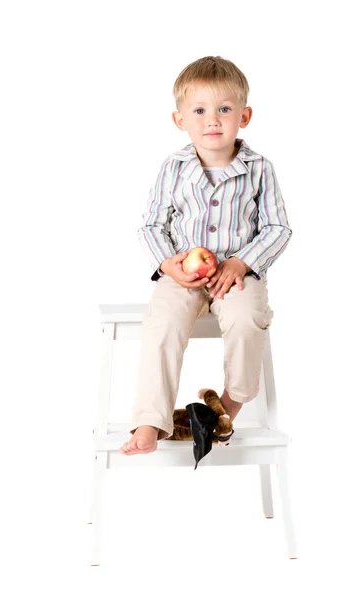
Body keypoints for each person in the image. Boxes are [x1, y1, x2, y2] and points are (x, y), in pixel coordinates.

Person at [120, 55, 292, 455]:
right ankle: (149, 421)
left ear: (244, 116)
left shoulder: (259, 169)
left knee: (248, 319)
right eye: (199, 110)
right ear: (180, 119)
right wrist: (168, 264)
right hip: (184, 275)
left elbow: (277, 228)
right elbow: (151, 226)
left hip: (237, 276)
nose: (212, 120)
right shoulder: (174, 168)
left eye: (224, 109)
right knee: (161, 325)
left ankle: (230, 403)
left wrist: (242, 262)